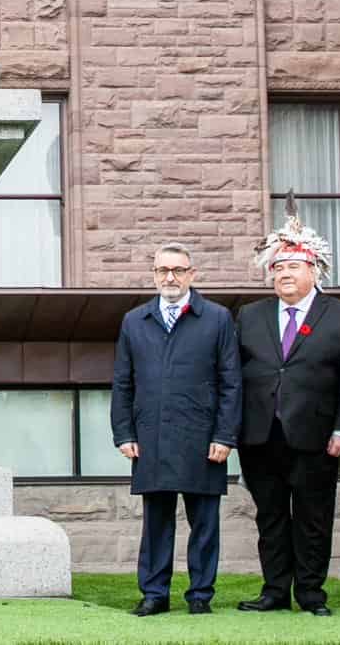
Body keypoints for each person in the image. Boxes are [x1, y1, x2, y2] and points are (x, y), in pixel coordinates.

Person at [233, 209, 340, 616]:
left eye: (293, 266)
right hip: (260, 435)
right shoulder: (250, 315)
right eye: (277, 267)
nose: (283, 273)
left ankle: (310, 593)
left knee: (312, 518)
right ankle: (274, 591)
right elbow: (234, 375)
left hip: (317, 435)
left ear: (314, 270)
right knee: (270, 517)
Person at [110, 244, 240, 616]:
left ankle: (200, 596)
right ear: (153, 274)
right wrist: (124, 433)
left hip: (204, 439)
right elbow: (123, 382)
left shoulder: (216, 318)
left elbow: (231, 381)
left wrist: (224, 435)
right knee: (156, 523)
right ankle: (155, 594)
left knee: (204, 523)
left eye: (178, 270)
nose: (170, 277)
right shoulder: (135, 321)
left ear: (192, 274)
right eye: (163, 270)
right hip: (151, 438)